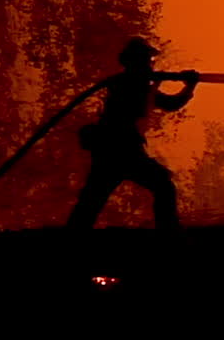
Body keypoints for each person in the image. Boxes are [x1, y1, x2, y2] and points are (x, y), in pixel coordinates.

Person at [67, 38, 199, 230]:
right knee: (162, 186)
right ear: (135, 62)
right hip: (121, 149)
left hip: (113, 149)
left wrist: (187, 86)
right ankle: (168, 232)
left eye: (150, 61)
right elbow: (169, 104)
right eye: (147, 61)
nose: (150, 65)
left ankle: (72, 233)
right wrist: (188, 85)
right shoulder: (128, 84)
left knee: (93, 198)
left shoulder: (135, 84)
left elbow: (168, 103)